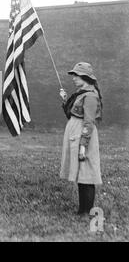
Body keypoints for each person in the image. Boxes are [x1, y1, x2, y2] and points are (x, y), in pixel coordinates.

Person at [59, 62, 103, 215]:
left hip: (84, 137)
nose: (73, 78)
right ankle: (82, 210)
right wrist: (65, 100)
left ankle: (87, 211)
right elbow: (72, 115)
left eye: (76, 75)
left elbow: (89, 122)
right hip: (75, 135)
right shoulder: (80, 94)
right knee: (81, 175)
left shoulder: (90, 95)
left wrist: (83, 146)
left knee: (87, 175)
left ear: (85, 77)